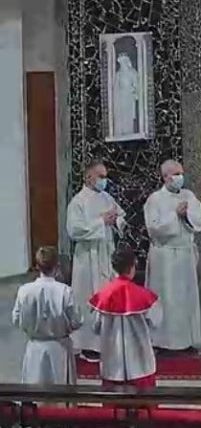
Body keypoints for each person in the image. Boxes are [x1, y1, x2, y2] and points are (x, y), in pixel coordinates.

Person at [144, 159, 201, 352]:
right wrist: (175, 215)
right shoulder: (155, 199)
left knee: (186, 299)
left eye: (181, 173)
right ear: (165, 177)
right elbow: (153, 228)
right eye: (176, 174)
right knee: (167, 299)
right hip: (165, 256)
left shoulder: (189, 195)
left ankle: (186, 341)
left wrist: (187, 215)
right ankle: (163, 342)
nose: (180, 177)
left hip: (184, 255)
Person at [67, 159, 125, 361]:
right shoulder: (78, 202)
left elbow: (121, 216)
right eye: (100, 176)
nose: (104, 180)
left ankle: (108, 342)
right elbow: (74, 230)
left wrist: (116, 220)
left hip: (106, 254)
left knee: (108, 296)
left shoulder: (107, 197)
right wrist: (101, 222)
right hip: (88, 257)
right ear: (88, 176)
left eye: (105, 176)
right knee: (88, 297)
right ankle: (88, 345)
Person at [90, 248, 161, 387]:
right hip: (139, 364)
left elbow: (95, 327)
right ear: (132, 266)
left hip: (113, 364)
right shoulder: (144, 296)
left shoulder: (104, 295)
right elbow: (155, 322)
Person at [12, 246, 83, 385]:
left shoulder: (24, 291)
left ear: (37, 266)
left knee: (34, 389)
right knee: (61, 391)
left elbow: (16, 319)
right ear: (57, 266)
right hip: (60, 347)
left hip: (35, 347)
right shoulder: (65, 291)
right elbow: (76, 320)